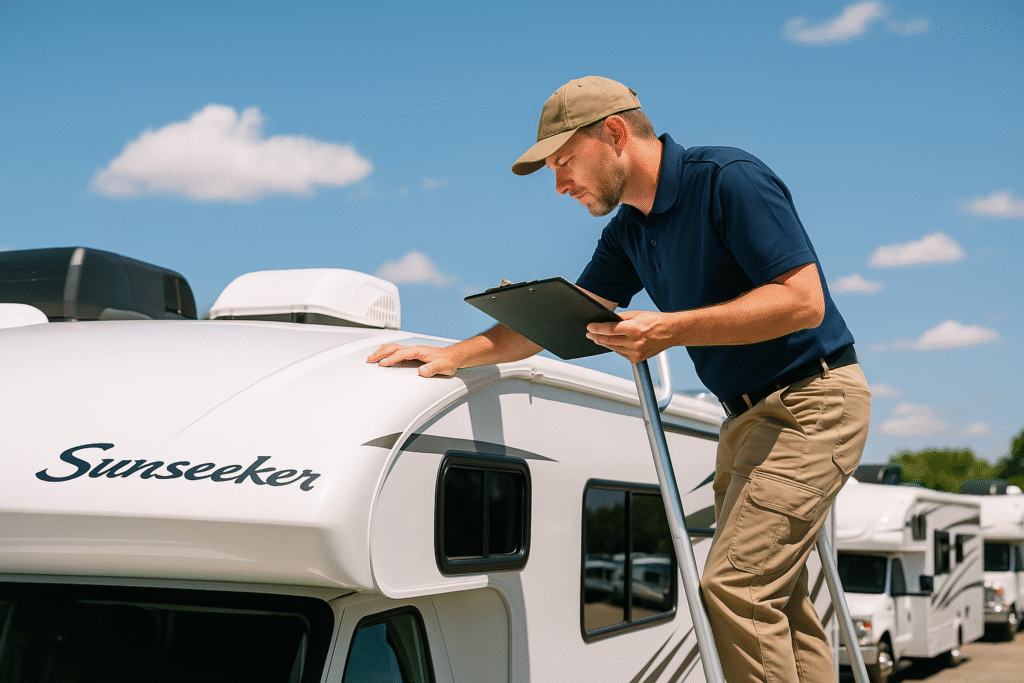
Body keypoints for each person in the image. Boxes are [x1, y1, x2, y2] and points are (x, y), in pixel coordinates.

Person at [368, 75, 871, 683]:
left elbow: (803, 301)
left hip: (812, 402)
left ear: (614, 134)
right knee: (776, 601)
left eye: (565, 162)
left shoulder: (728, 179)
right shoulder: (630, 232)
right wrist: (454, 354)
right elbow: (565, 323)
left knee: (736, 584)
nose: (560, 184)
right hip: (744, 419)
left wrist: (668, 329)